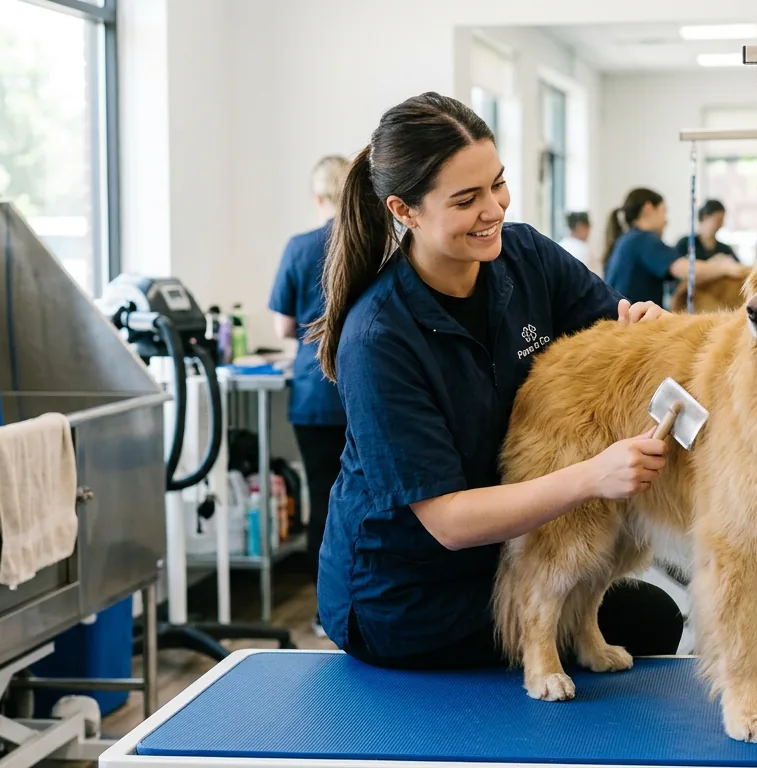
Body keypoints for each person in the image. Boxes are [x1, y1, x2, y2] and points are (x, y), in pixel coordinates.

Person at [305, 92, 686, 669]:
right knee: (647, 619)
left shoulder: (525, 256)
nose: (494, 210)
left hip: (514, 550)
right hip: (411, 594)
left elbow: (615, 336)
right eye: (466, 199)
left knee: (651, 613)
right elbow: (450, 522)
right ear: (405, 211)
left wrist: (646, 333)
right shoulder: (379, 338)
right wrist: (593, 476)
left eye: (497, 184)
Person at [269, 155, 349, 639]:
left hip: (314, 396)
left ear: (318, 197)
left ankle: (325, 610)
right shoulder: (372, 244)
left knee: (322, 498)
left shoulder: (300, 248)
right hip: (360, 391)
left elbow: (284, 325)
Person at [601, 188, 742, 307]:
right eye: (664, 212)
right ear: (648, 208)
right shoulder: (643, 239)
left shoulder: (628, 239)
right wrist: (727, 267)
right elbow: (685, 269)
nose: (666, 221)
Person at [671, 199, 735, 263]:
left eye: (722, 220)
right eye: (718, 220)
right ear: (705, 218)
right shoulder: (686, 244)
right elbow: (675, 266)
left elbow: (740, 268)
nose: (721, 224)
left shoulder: (725, 250)